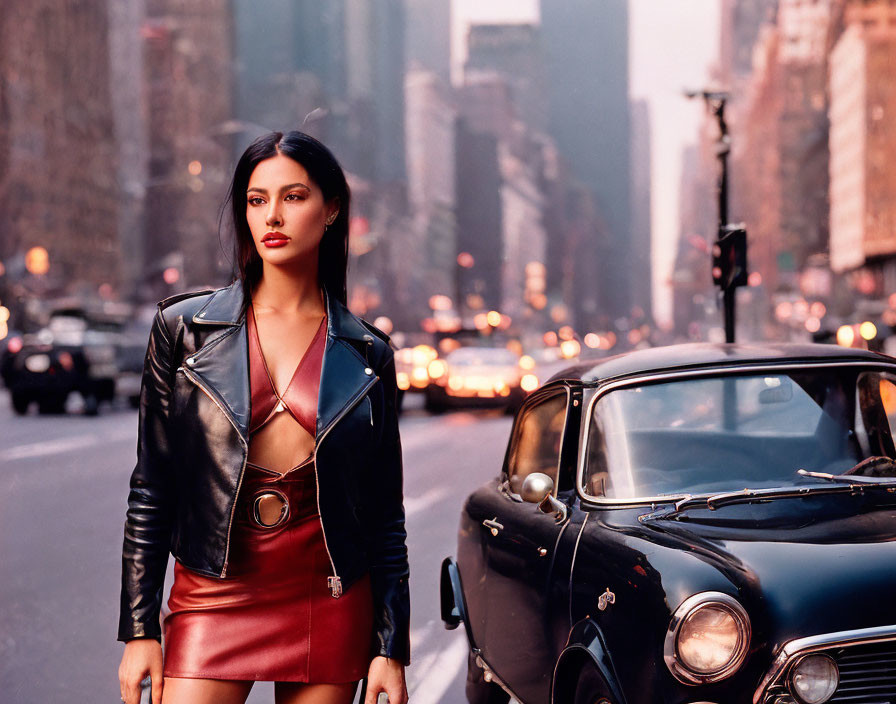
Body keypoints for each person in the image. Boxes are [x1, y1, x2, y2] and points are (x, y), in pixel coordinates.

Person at [117, 131, 410, 704]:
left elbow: (383, 515)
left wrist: (390, 646)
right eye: (256, 200)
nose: (272, 215)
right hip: (212, 592)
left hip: (326, 595)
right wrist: (138, 628)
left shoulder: (369, 353)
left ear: (331, 211)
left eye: (294, 196)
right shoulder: (182, 331)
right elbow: (152, 489)